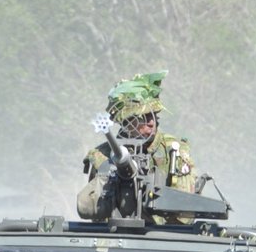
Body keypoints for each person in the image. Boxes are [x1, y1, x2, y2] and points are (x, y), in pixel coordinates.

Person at [76, 71, 199, 221]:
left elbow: (184, 216)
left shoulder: (173, 151)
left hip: (162, 236)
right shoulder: (103, 156)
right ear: (126, 121)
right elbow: (92, 210)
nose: (151, 123)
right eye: (143, 117)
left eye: (153, 116)